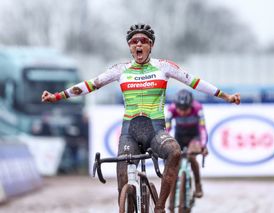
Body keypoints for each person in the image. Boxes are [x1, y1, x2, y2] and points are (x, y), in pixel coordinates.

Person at [41, 23, 241, 213]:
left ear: (150, 45)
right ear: (129, 46)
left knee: (174, 152)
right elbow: (90, 85)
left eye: (143, 41)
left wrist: (226, 96)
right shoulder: (121, 70)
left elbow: (196, 82)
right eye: (134, 41)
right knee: (122, 181)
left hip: (155, 129)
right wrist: (58, 96)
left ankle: (161, 206)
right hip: (130, 131)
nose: (138, 44)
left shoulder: (164, 67)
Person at [166, 89, 208, 199]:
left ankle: (198, 185)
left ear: (191, 105)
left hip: (194, 137)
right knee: (174, 161)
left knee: (191, 157)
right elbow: (167, 129)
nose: (183, 112)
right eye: (180, 109)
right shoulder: (171, 109)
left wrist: (203, 145)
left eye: (186, 109)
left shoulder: (198, 108)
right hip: (179, 136)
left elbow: (202, 128)